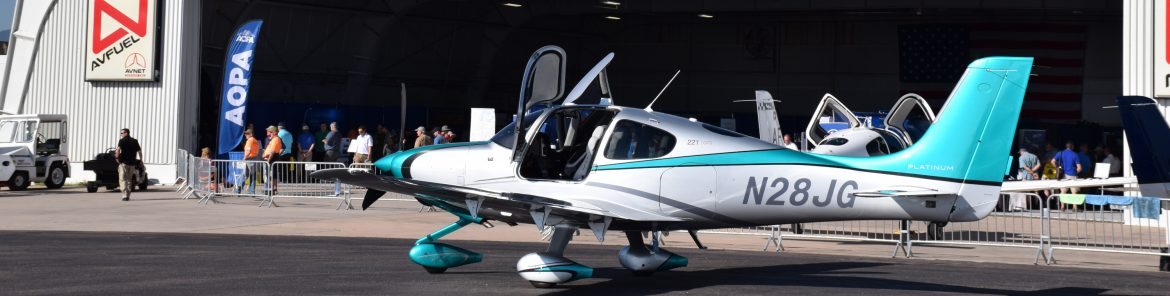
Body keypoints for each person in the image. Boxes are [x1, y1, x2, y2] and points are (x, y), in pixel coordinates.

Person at [1051, 141, 1082, 211]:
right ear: (1072, 146)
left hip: (1063, 175)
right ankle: (1074, 207)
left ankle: (1062, 207)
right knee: (1074, 192)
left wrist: (1058, 168)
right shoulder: (1075, 154)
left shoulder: (1060, 153)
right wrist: (1075, 172)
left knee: (1063, 192)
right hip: (1073, 175)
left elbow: (1052, 161)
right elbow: (1079, 168)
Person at [115, 128, 143, 201]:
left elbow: (118, 150)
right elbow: (139, 151)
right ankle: (128, 195)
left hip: (124, 163)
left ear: (126, 133)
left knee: (122, 179)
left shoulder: (122, 141)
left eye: (122, 133)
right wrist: (141, 159)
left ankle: (124, 195)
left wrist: (117, 158)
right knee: (129, 179)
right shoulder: (135, 141)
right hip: (132, 163)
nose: (121, 134)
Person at [236, 128, 261, 194]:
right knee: (250, 174)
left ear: (251, 134)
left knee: (246, 174)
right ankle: (249, 190)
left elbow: (248, 151)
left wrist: (244, 158)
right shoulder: (255, 140)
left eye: (247, 133)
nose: (245, 135)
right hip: (254, 158)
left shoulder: (250, 140)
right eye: (245, 133)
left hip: (250, 159)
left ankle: (240, 188)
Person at [262, 126, 283, 193]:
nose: (268, 134)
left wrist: (268, 160)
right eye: (268, 132)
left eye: (269, 132)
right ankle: (271, 189)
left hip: (272, 159)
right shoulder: (273, 139)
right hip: (271, 158)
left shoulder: (276, 139)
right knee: (271, 175)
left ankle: (270, 190)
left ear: (274, 132)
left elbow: (273, 151)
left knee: (271, 175)